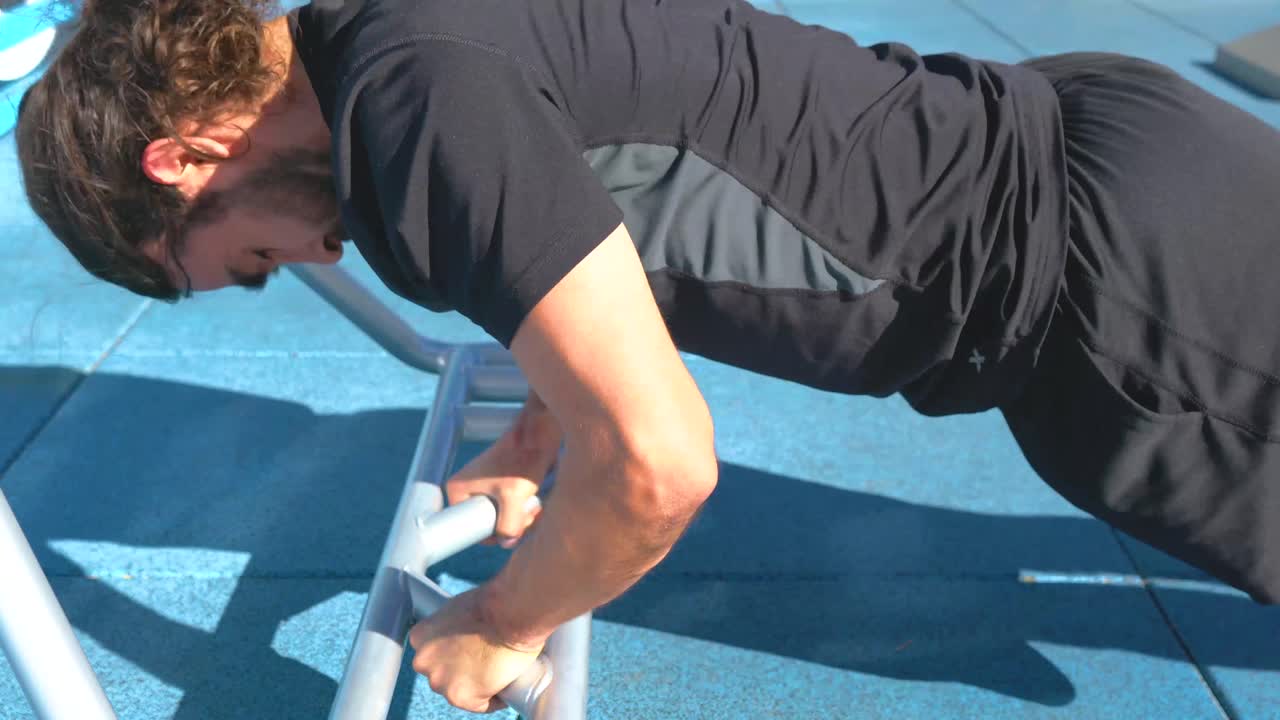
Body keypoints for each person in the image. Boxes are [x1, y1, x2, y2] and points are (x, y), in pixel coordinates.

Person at [15, 0, 1280, 712]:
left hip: (1111, 288)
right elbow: (590, 214)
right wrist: (533, 433)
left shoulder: (412, 119)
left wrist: (501, 620)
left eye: (250, 257)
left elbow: (661, 469)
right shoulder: (387, 39)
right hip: (1098, 150)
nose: (307, 256)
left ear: (181, 160)